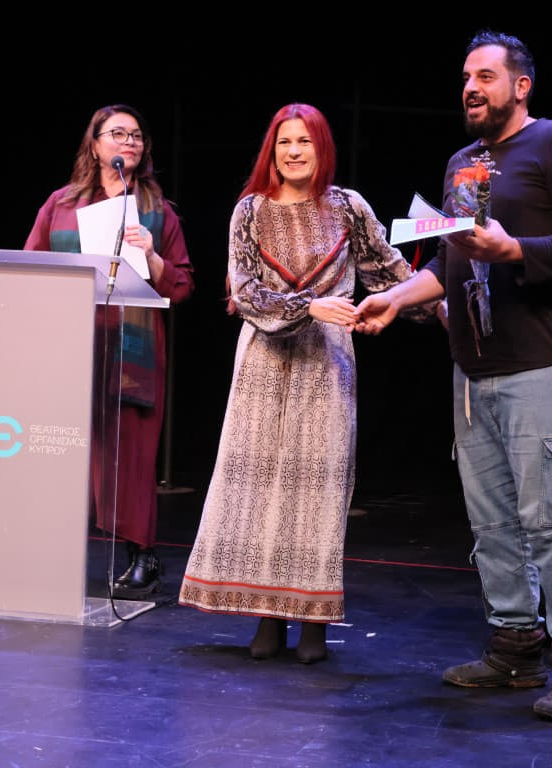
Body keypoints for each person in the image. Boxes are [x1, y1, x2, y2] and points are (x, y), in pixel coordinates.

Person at [356, 31, 552, 721]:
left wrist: (514, 247)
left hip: (541, 363)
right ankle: (514, 651)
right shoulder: (461, 163)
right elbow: (450, 261)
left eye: (486, 76)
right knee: (493, 525)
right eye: (466, 77)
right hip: (473, 370)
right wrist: (394, 298)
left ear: (520, 85)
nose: (471, 87)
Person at [178, 103, 423, 664]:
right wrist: (309, 306)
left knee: (318, 489)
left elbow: (390, 272)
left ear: (321, 148)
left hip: (326, 362)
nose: (293, 151)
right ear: (272, 151)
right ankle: (267, 618)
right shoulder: (250, 210)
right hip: (263, 360)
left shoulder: (348, 207)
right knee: (259, 484)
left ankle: (313, 623)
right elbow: (244, 291)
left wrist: (440, 302)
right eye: (284, 142)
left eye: (304, 141)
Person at [25, 104, 195, 599]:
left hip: (131, 345)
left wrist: (152, 255)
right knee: (65, 449)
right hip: (70, 340)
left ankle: (142, 555)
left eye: (137, 136)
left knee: (130, 453)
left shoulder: (157, 211)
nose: (129, 142)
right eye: (117, 134)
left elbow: (183, 284)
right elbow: (29, 264)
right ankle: (49, 551)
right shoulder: (60, 205)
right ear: (95, 145)